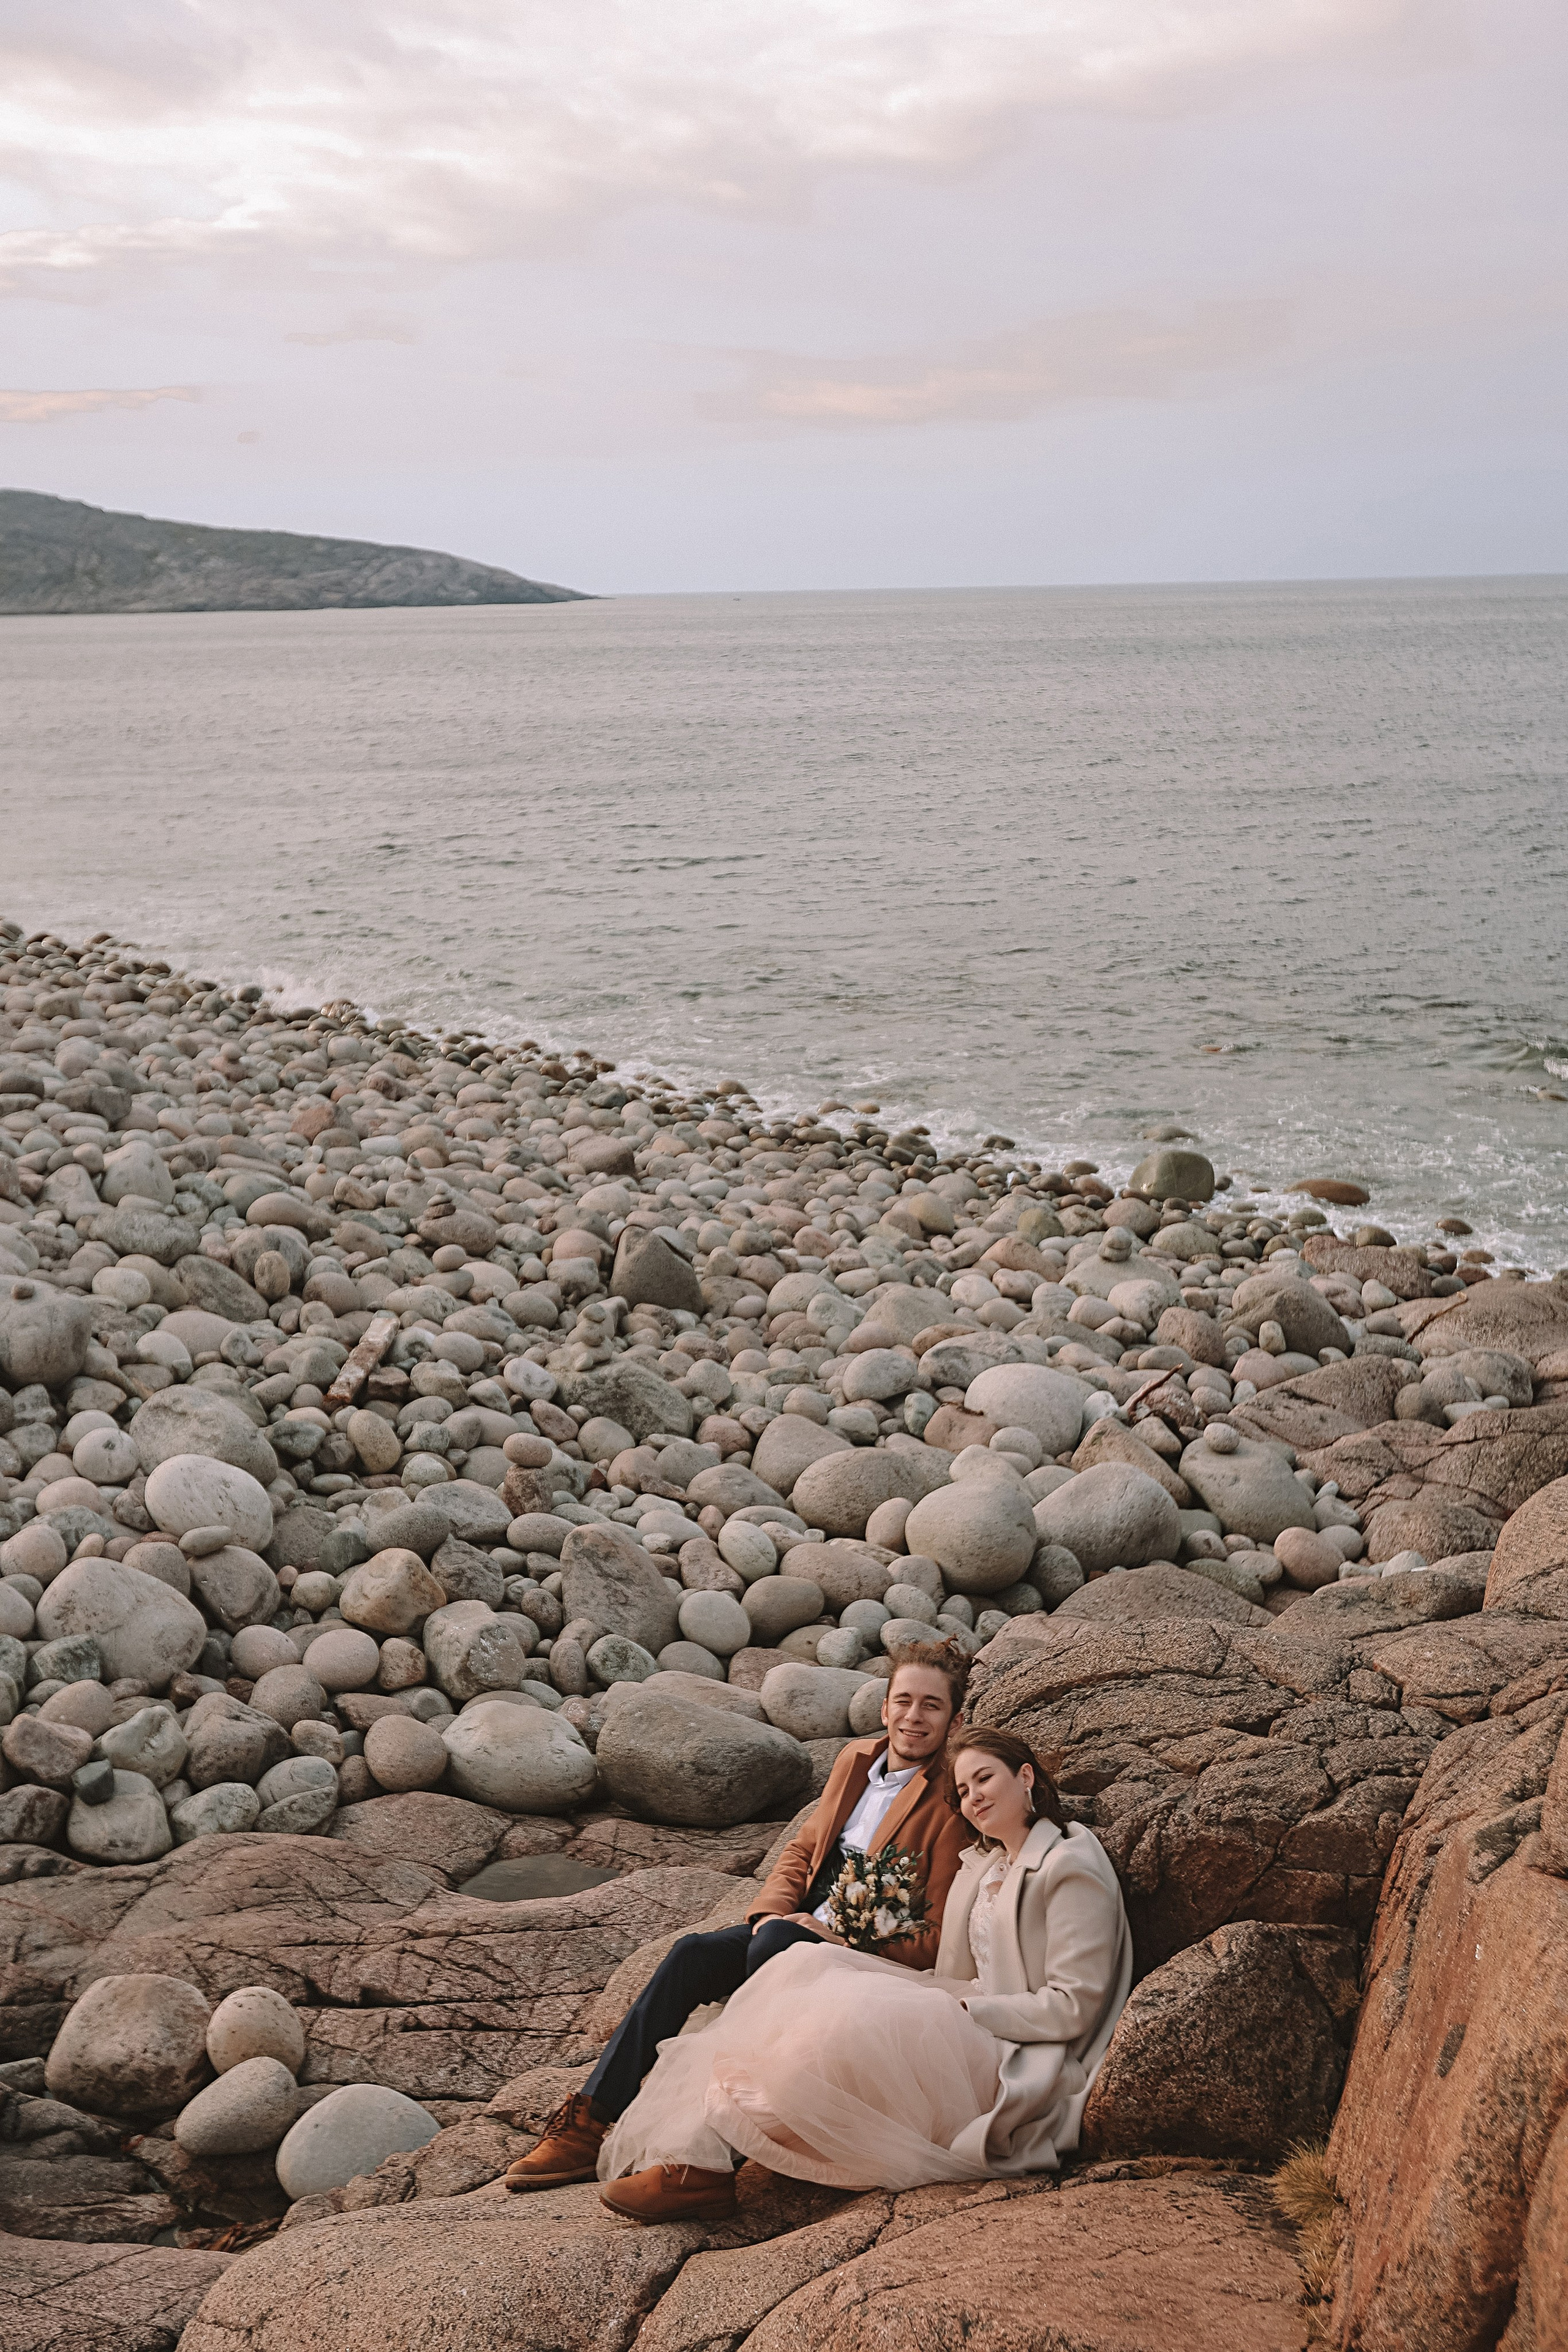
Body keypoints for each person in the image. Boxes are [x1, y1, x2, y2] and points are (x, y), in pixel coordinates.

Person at [594, 1722, 1132, 2222]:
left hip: (1019, 2045)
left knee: (854, 2024)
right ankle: (700, 2159)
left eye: (984, 1779)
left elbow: (1074, 2006)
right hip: (968, 2008)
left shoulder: (1069, 1866)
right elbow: (948, 1960)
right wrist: (850, 1950)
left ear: (1026, 1776)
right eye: (963, 1791)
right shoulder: (987, 1864)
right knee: (809, 1966)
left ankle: (705, 2164)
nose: (974, 1798)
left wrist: (969, 2009)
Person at [503, 1641, 976, 2201]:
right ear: (883, 1707)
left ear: (955, 1719)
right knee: (692, 1955)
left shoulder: (951, 1798)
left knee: (774, 1946)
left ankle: (709, 2162)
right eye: (904, 1701)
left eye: (931, 1706)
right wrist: (772, 1911)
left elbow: (932, 1934)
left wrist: (833, 1935)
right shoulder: (855, 1761)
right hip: (790, 1929)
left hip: (858, 1958)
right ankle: (587, 2123)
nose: (913, 1718)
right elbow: (801, 1851)